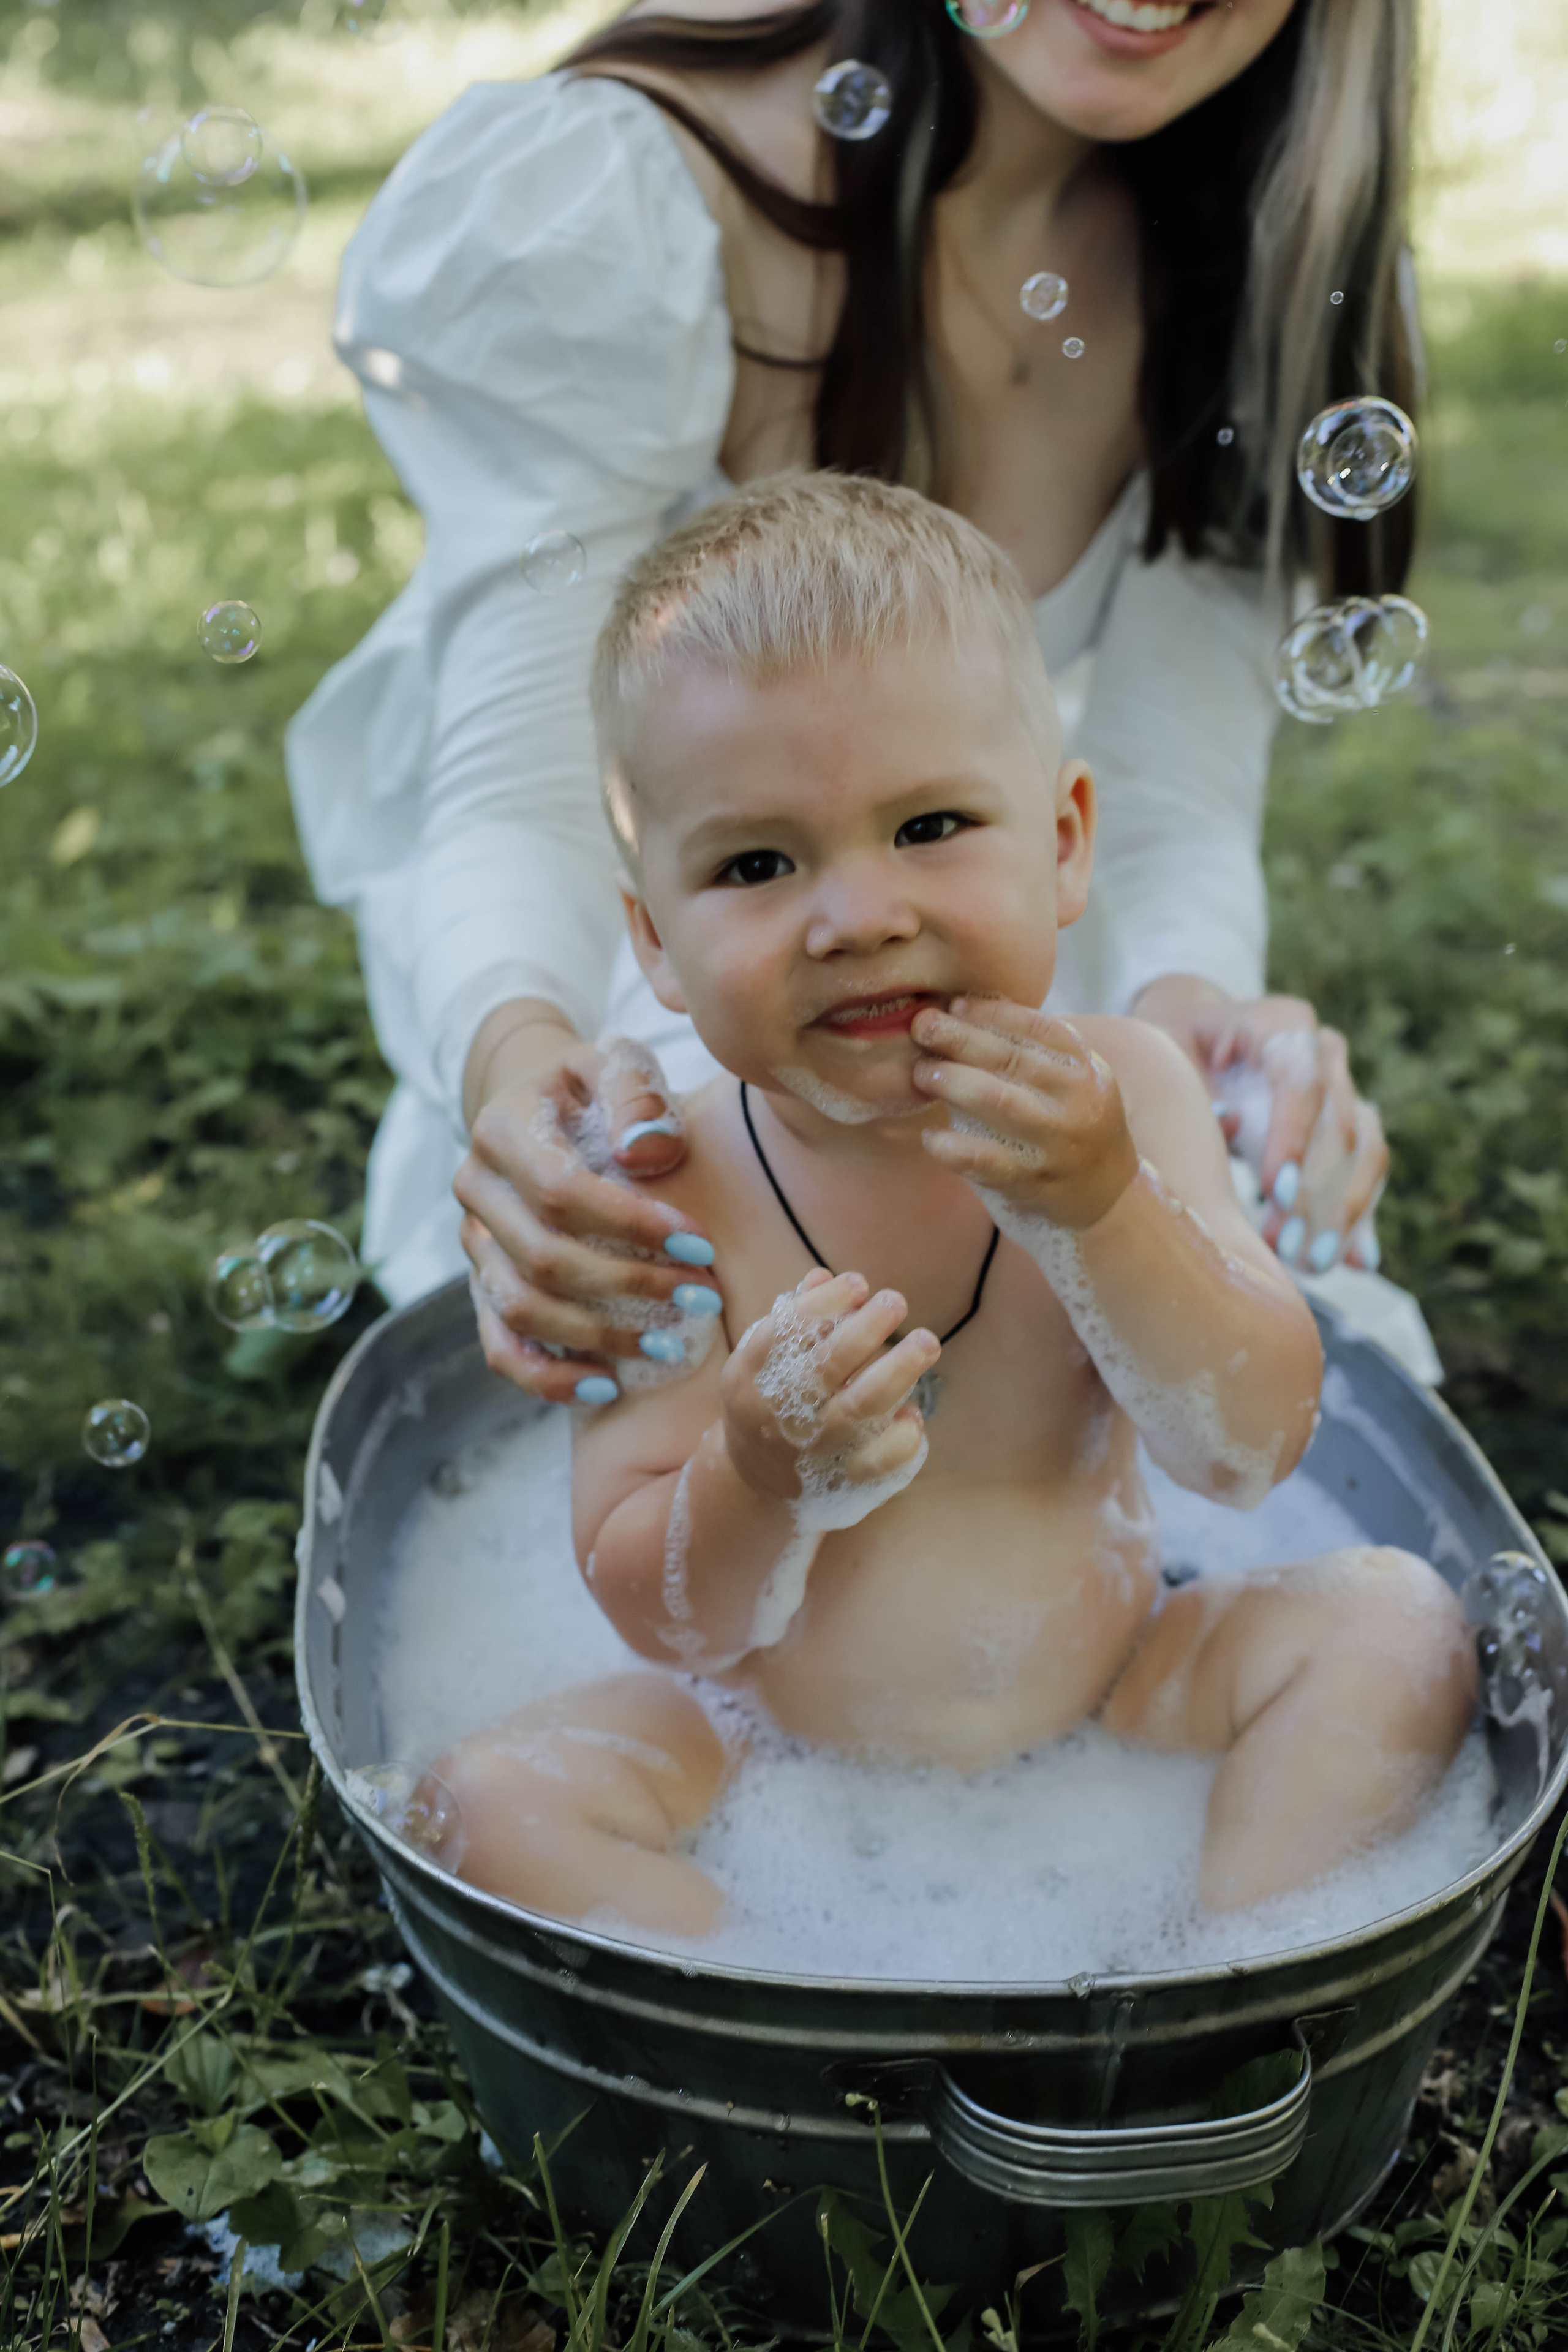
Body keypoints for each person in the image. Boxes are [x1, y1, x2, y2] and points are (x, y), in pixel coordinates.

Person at [287, 0, 1418, 1390]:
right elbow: (520, 798)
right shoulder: (621, 205)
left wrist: (1194, 1025)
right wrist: (524, 1076)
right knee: (704, 1299)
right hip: (687, 969)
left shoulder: (1272, 246)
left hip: (980, 935)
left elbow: (1170, 801)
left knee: (1191, 1332)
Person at [427, 475, 1474, 1936]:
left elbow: (1246, 1449)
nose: (857, 916)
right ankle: (795, 1991)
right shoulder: (665, 1187)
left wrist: (1105, 1210)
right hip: (755, 1738)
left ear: (1062, 843)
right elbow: (662, 1617)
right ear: (654, 942)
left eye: (928, 825)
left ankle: (1219, 1966)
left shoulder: (1129, 1094)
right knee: (483, 1807)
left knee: (1397, 1630)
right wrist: (754, 1475)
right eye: (755, 863)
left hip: (1122, 1678)